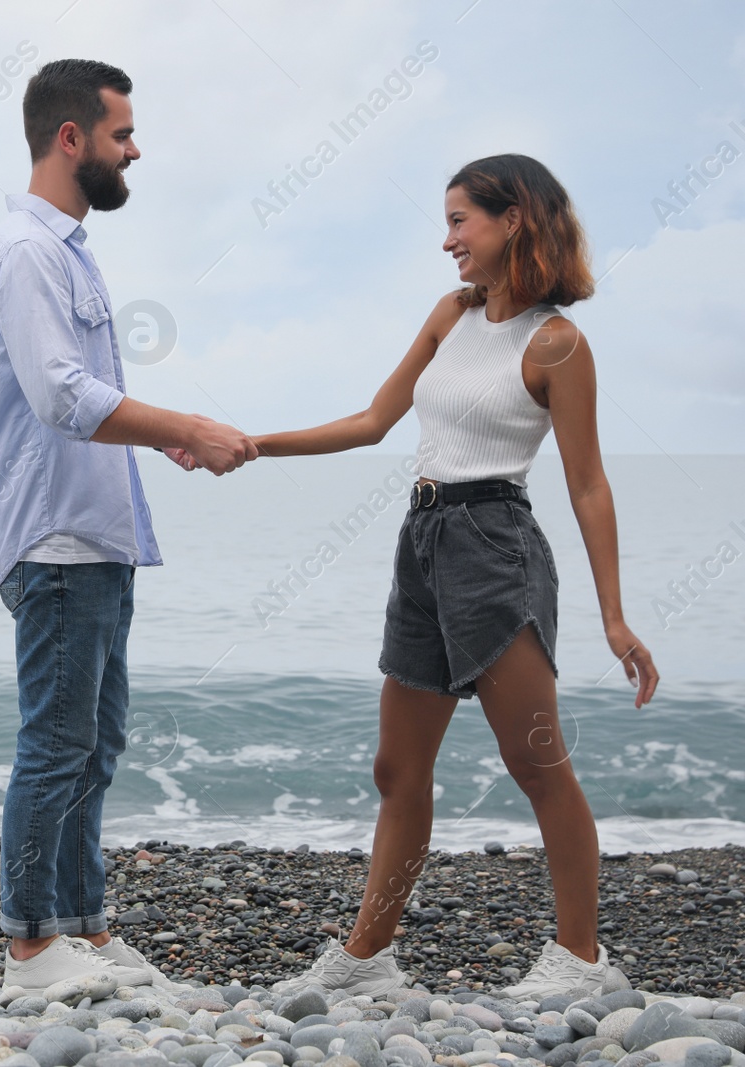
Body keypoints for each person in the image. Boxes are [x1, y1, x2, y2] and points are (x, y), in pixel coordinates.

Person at [200, 154, 658, 998]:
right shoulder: (453, 315)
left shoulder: (557, 342)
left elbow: (588, 483)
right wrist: (257, 442)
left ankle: (583, 960)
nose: (447, 240)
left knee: (536, 762)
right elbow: (375, 421)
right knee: (395, 767)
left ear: (512, 218)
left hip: (494, 545)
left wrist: (616, 615)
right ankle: (368, 960)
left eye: (459, 221)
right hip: (423, 541)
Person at [0, 58, 255, 992]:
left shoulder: (70, 251)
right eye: (123, 134)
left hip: (97, 537)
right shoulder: (25, 251)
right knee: (54, 742)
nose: (136, 149)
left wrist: (153, 445)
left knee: (98, 741)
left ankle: (79, 928)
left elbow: (84, 403)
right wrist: (186, 427)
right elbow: (59, 395)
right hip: (54, 540)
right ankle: (29, 947)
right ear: (71, 138)